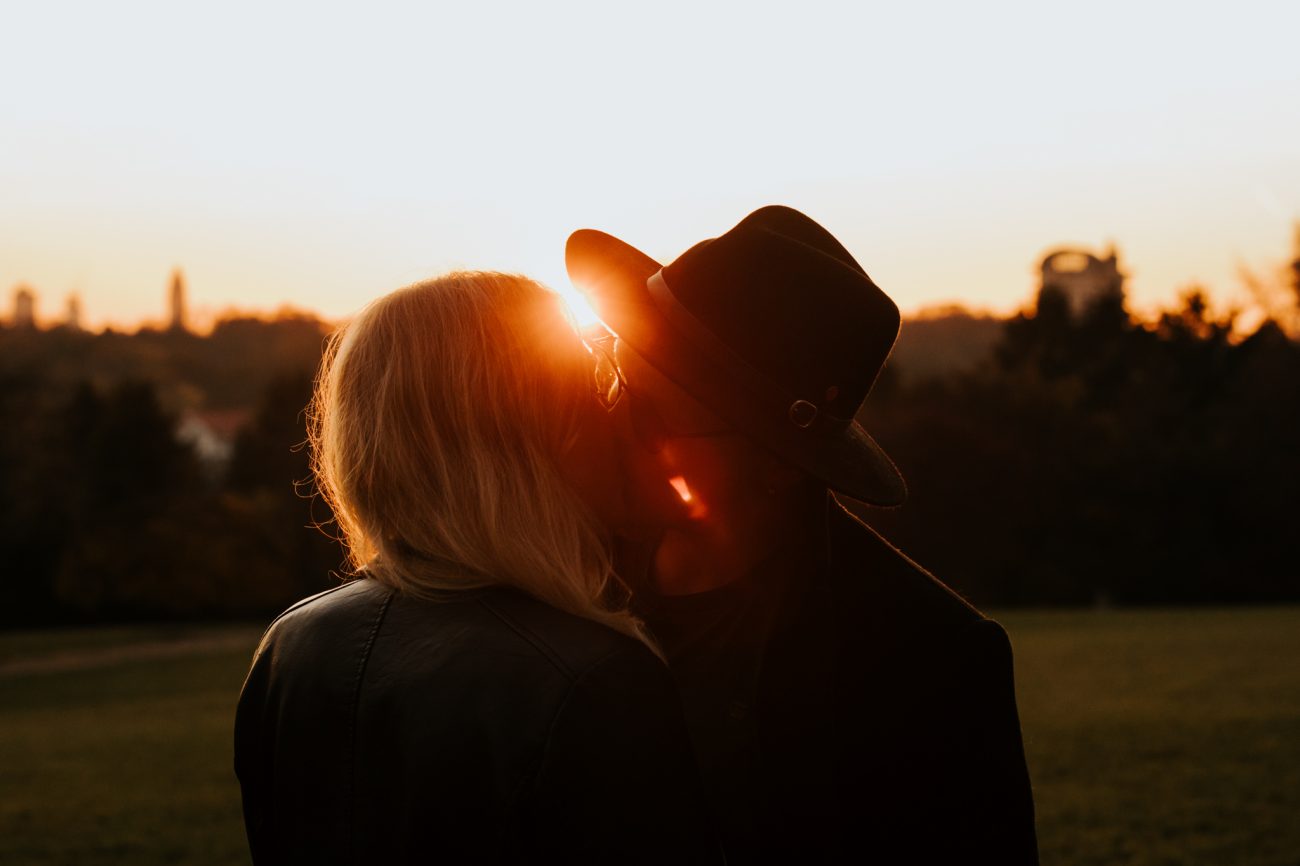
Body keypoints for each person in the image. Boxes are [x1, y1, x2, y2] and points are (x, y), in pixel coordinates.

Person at [566, 207, 1040, 864]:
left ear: (774, 464)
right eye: (613, 382)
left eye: (652, 416)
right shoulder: (557, 583)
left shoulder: (931, 662)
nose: (612, 426)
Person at [233, 271, 722, 864]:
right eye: (594, 394)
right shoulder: (594, 683)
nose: (616, 422)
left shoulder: (293, 644)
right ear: (539, 435)